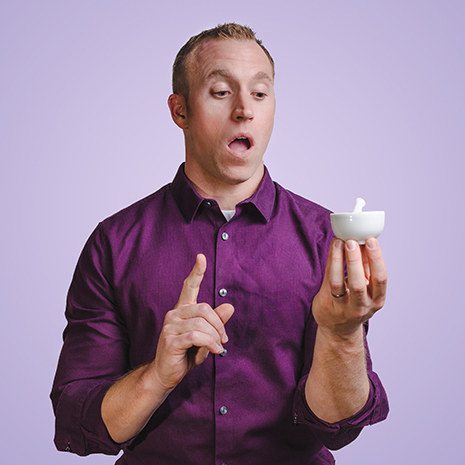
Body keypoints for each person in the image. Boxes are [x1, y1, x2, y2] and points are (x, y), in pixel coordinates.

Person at [51, 23, 389, 465]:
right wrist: (156, 377)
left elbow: (338, 426)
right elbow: (82, 422)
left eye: (260, 94)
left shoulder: (327, 238)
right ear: (180, 111)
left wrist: (341, 334)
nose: (245, 110)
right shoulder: (114, 243)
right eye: (220, 92)